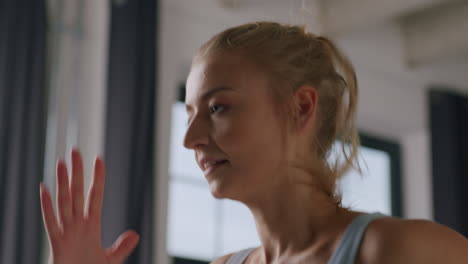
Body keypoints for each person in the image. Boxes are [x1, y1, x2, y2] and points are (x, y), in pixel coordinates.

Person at [40, 21, 468, 264]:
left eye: (218, 108)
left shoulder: (402, 251)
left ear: (301, 108)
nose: (190, 139)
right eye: (189, 114)